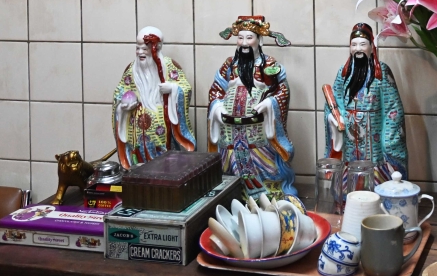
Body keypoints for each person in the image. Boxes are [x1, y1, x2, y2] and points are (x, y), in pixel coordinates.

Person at [207, 16, 298, 199]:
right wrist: (217, 106)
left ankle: (269, 195)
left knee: (265, 164)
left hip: (258, 129)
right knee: (231, 166)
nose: (244, 43)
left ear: (259, 40)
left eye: (249, 38)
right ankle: (235, 195)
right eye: (240, 38)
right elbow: (216, 90)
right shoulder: (229, 65)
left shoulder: (269, 65)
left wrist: (270, 103)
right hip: (230, 130)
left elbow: (282, 91)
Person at [324, 24, 408, 185]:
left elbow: (393, 107)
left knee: (374, 169)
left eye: (362, 44)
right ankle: (348, 193)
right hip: (350, 137)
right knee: (350, 167)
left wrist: (389, 138)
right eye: (354, 45)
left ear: (371, 47)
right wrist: (335, 118)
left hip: (373, 138)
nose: (358, 49)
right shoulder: (344, 73)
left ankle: (378, 190)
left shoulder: (381, 72)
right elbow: (334, 101)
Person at [112, 27, 196, 169]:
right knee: (137, 168)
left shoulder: (169, 66)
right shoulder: (131, 69)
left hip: (162, 132)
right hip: (136, 135)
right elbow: (119, 94)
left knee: (165, 167)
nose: (140, 52)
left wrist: (173, 89)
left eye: (145, 49)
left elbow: (185, 88)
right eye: (138, 48)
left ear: (156, 48)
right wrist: (123, 106)